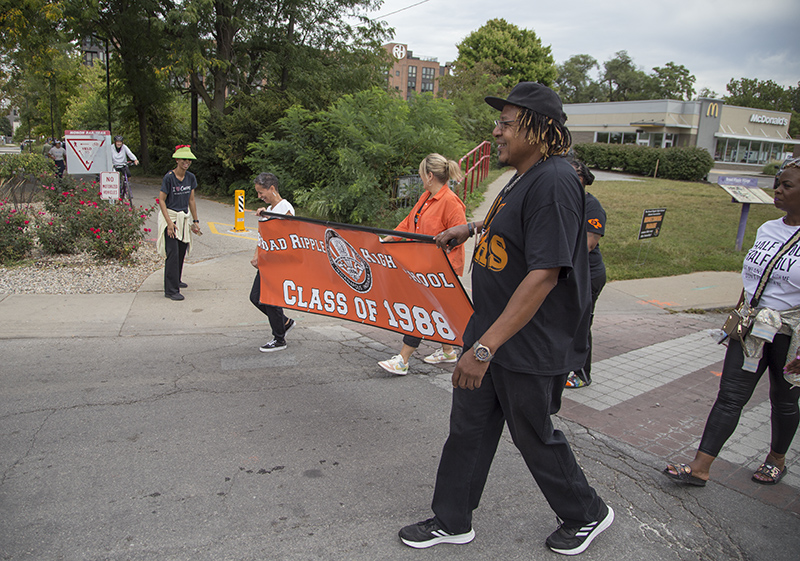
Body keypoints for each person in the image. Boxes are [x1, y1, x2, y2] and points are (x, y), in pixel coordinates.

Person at [398, 82, 613, 556]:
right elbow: (517, 224)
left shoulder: (555, 182)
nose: (496, 132)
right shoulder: (524, 176)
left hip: (525, 342)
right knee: (468, 429)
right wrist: (470, 227)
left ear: (540, 130)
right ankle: (452, 519)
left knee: (532, 434)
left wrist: (482, 349)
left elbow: (544, 274)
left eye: (506, 124)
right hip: (492, 328)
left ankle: (587, 512)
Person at [664, 158, 800, 487]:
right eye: (777, 182)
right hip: (754, 329)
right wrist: (738, 317)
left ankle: (776, 459)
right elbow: (753, 279)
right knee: (730, 396)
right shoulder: (768, 228)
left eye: (786, 185)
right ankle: (700, 467)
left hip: (791, 336)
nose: (776, 189)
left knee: (783, 400)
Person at [377, 153, 467, 375]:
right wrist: (384, 241)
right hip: (423, 265)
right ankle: (448, 350)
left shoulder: (450, 202)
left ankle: (403, 359)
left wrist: (439, 258)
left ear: (429, 175)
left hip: (442, 269)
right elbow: (408, 223)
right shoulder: (426, 198)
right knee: (438, 309)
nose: (420, 178)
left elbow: (459, 235)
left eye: (420, 174)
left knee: (422, 307)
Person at [566, 159, 606, 389]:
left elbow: (589, 243)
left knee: (581, 323)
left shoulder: (591, 206)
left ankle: (581, 373)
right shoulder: (565, 202)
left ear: (582, 179)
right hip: (568, 273)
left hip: (588, 274)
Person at [249, 172, 295, 352]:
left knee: (270, 300)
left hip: (278, 263)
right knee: (256, 297)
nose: (259, 197)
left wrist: (269, 216)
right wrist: (256, 256)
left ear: (272, 188)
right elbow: (263, 236)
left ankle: (279, 339)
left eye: (261, 193)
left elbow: (290, 233)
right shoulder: (269, 210)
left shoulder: (285, 208)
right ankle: (284, 323)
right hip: (267, 262)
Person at [156, 145, 202, 301]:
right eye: (183, 159)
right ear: (177, 160)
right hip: (170, 216)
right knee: (173, 253)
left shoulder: (190, 177)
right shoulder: (169, 177)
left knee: (182, 250)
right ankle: (170, 290)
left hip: (183, 217)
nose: (186, 162)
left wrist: (195, 221)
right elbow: (161, 200)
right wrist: (169, 223)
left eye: (188, 160)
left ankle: (176, 279)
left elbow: (191, 199)